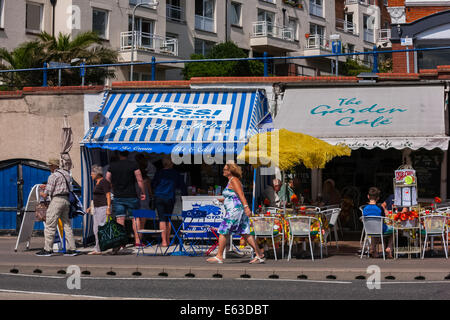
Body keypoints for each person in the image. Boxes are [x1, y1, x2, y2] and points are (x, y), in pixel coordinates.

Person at [207, 161, 265, 264]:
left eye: (225, 169)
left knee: (223, 230)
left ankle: (219, 256)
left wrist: (247, 207)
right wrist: (220, 200)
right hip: (237, 210)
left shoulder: (234, 180)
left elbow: (241, 194)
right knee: (245, 232)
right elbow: (232, 197)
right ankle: (259, 254)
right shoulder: (231, 181)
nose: (223, 171)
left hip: (235, 211)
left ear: (230, 171)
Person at [36, 158, 77, 256]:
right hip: (66, 200)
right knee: (67, 225)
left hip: (56, 201)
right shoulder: (66, 174)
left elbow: (47, 194)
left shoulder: (53, 176)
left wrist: (42, 192)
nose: (48, 167)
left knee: (50, 224)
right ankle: (71, 248)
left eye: (49, 165)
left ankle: (47, 249)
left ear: (53, 166)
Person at [106, 151, 146, 250]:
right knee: (135, 218)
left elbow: (107, 179)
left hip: (118, 196)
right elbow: (140, 179)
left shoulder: (112, 166)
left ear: (119, 155)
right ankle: (137, 242)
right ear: (128, 155)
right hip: (132, 195)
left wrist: (111, 188)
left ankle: (121, 242)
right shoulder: (133, 165)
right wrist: (142, 192)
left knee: (120, 219)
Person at [151, 155, 186, 247]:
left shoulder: (159, 173)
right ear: (172, 163)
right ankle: (168, 240)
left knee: (162, 219)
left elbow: (153, 184)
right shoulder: (175, 173)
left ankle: (164, 242)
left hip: (159, 196)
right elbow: (181, 186)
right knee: (168, 219)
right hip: (170, 197)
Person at [86, 165, 111, 255]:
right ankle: (98, 247)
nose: (91, 175)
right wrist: (90, 207)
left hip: (102, 207)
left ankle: (100, 248)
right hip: (96, 208)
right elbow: (96, 196)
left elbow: (108, 195)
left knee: (100, 228)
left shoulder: (104, 182)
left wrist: (108, 208)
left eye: (92, 173)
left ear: (97, 174)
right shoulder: (97, 182)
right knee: (96, 229)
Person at [362, 187, 393, 259]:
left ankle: (373, 249)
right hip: (379, 228)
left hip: (369, 229)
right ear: (378, 198)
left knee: (374, 230)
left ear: (368, 196)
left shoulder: (364, 208)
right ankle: (389, 247)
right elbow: (384, 218)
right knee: (393, 231)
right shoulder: (379, 208)